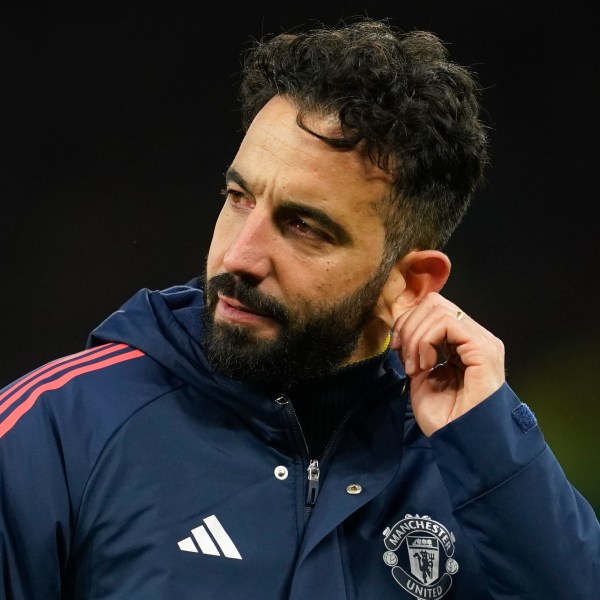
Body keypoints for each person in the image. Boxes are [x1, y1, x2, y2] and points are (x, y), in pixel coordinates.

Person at [0, 17, 598, 600]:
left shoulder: (471, 463)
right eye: (239, 198)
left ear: (413, 282)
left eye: (305, 226)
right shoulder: (56, 430)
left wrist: (494, 449)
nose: (240, 256)